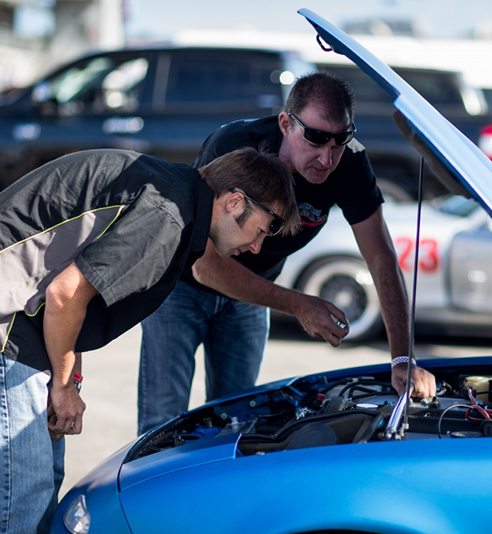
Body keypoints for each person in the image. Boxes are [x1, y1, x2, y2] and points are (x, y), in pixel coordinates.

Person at [0, 147, 299, 534]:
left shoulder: (178, 196)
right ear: (235, 201)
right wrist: (61, 384)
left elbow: (77, 290)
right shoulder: (167, 217)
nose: (257, 247)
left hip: (23, 300)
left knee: (42, 475)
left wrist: (70, 378)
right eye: (263, 229)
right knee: (21, 487)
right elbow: (66, 294)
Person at [137, 72, 436, 435]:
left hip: (252, 294)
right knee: (163, 423)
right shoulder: (235, 145)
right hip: (183, 286)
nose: (327, 158)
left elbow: (381, 256)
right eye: (315, 138)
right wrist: (298, 304)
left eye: (341, 140)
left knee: (237, 423)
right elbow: (207, 266)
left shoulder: (350, 163)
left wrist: (403, 357)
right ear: (285, 123)